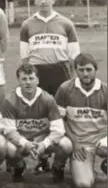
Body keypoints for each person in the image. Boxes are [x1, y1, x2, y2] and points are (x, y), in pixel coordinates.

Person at [2, 63, 72, 183]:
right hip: (22, 141)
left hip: (42, 140)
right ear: (18, 80)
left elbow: (59, 129)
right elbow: (9, 131)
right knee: (8, 148)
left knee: (66, 144)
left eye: (31, 78)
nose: (28, 82)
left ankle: (57, 167)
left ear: (38, 80)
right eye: (24, 79)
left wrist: (44, 144)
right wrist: (25, 143)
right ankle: (19, 167)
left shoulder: (48, 99)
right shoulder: (10, 100)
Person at [55, 53, 107, 188]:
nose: (85, 74)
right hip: (81, 144)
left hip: (101, 141)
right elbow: (59, 121)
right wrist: (75, 142)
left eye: (89, 70)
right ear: (75, 71)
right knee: (84, 184)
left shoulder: (105, 91)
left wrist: (106, 139)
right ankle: (87, 171)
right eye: (81, 70)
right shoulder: (65, 89)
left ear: (96, 69)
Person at [20, 0, 80, 97]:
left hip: (60, 70)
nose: (43, 1)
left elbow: (74, 54)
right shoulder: (26, 25)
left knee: (62, 107)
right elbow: (24, 57)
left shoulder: (66, 23)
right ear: (35, 1)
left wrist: (71, 75)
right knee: (38, 107)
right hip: (37, 70)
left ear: (53, 0)